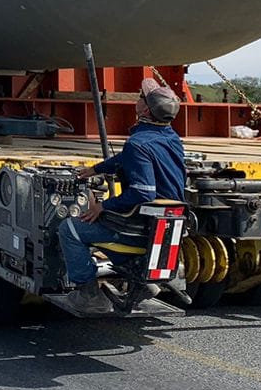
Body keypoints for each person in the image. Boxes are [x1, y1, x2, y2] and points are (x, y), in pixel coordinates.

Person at [58, 80, 186, 290]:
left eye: (141, 97)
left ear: (145, 109)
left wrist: (102, 206)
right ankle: (143, 284)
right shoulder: (171, 138)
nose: (137, 99)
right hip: (164, 228)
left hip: (139, 229)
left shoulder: (137, 143)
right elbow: (128, 158)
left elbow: (142, 192)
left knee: (69, 229)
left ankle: (87, 293)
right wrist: (97, 169)